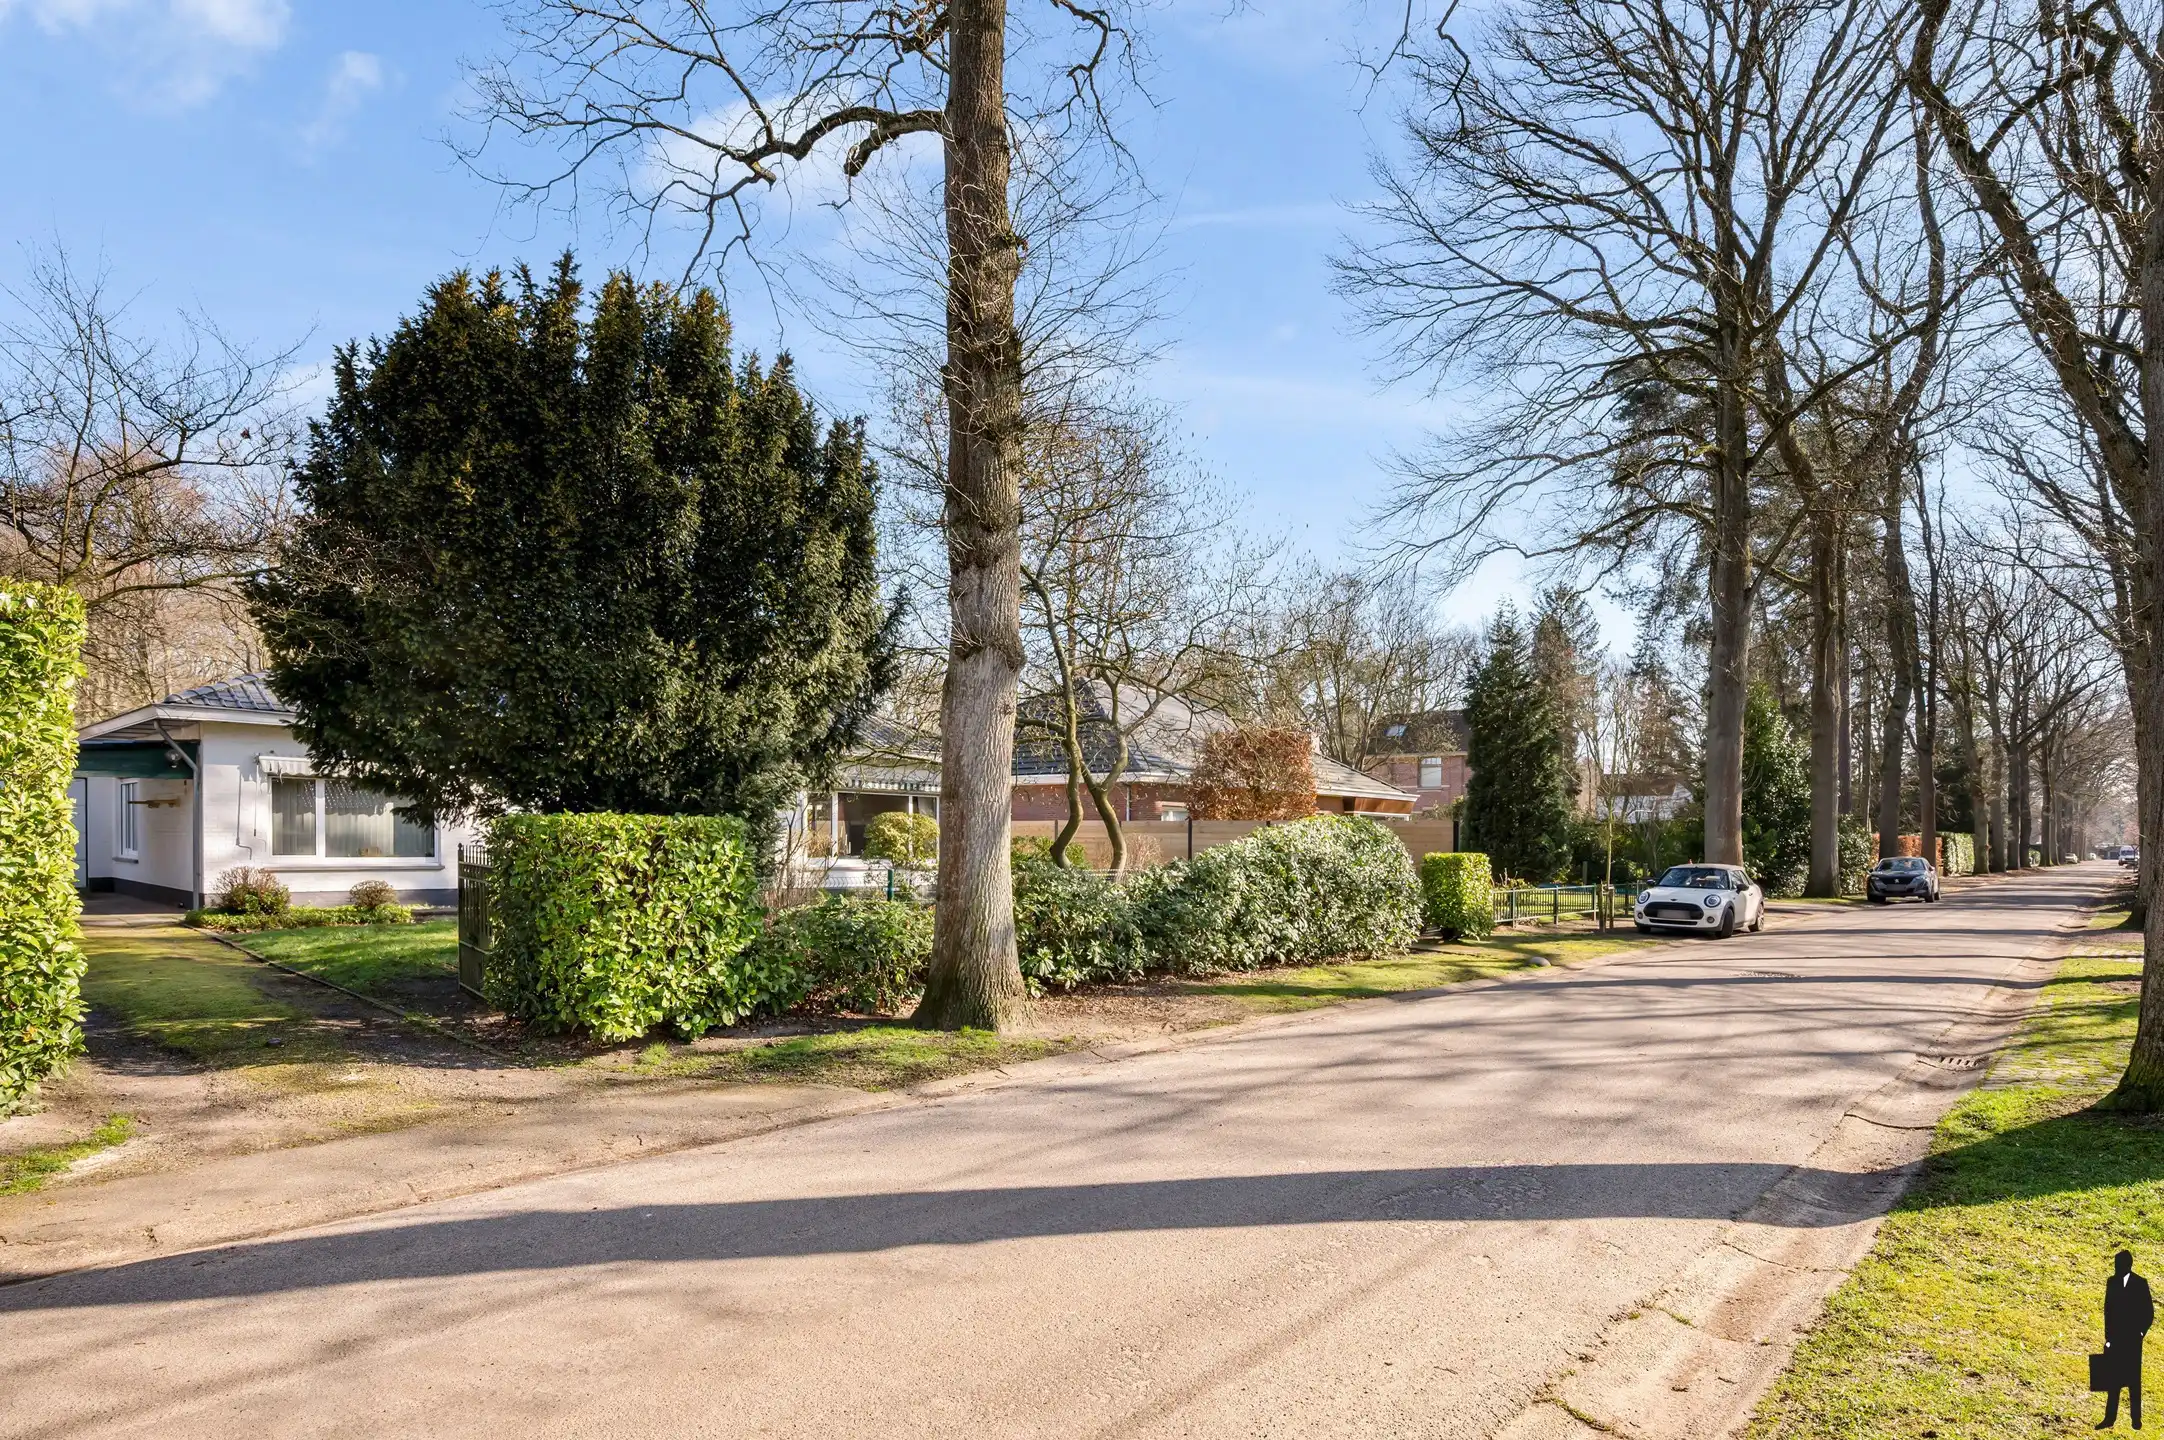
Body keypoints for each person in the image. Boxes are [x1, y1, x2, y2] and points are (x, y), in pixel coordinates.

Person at [2103, 1249, 2154, 1430]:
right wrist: (2108, 1337)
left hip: (2132, 1340)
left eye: (2119, 1264)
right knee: (2113, 1380)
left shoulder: (2140, 1284)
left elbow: (2148, 1312)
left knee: (2134, 1381)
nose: (2116, 1268)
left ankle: (2136, 1419)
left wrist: (2140, 1333)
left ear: (2127, 1265)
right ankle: (2110, 1418)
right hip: (2116, 1339)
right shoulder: (2112, 1282)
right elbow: (2107, 1312)